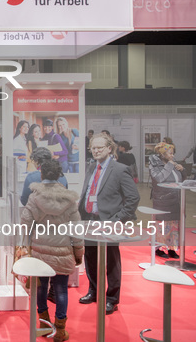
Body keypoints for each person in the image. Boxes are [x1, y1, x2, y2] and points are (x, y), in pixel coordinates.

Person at [20, 160, 84, 342]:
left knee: (40, 287)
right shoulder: (69, 199)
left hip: (40, 252)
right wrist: (78, 254)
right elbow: (76, 231)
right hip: (63, 251)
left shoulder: (35, 197)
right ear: (59, 176)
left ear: (41, 175)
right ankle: (61, 331)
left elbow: (25, 223)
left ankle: (44, 324)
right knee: (61, 290)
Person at [78, 133, 139, 315]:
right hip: (89, 219)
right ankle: (94, 291)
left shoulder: (120, 169)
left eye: (99, 148)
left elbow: (133, 198)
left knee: (111, 260)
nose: (96, 151)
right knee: (90, 257)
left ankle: (112, 298)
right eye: (93, 148)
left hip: (110, 222)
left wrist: (118, 219)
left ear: (109, 148)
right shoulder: (91, 167)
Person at [149, 142, 183, 259]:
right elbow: (159, 179)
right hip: (162, 201)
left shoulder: (173, 163)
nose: (172, 156)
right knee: (161, 226)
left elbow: (180, 180)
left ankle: (172, 249)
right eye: (170, 153)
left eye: (173, 153)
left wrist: (182, 170)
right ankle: (158, 248)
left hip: (175, 201)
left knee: (173, 226)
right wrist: (169, 165)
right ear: (162, 154)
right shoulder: (154, 165)